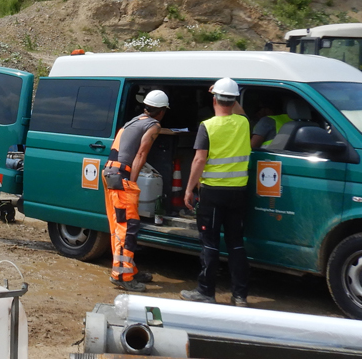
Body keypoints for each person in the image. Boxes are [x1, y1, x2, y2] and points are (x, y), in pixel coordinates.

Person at [182, 77, 251, 307]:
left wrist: (189, 189)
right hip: (238, 193)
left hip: (212, 193)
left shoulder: (207, 126)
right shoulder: (243, 124)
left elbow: (199, 159)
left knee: (210, 243)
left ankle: (206, 292)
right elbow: (238, 110)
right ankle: (240, 296)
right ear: (234, 100)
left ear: (214, 99)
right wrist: (230, 95)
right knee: (236, 244)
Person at [104, 90, 169, 292]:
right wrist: (132, 183)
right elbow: (141, 154)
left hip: (109, 173)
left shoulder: (135, 120)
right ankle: (122, 275)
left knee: (118, 227)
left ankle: (128, 269)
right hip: (121, 178)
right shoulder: (153, 125)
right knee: (127, 227)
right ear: (162, 111)